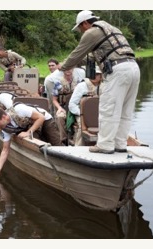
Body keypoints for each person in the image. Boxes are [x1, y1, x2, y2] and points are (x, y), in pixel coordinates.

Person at [60, 10, 140, 154]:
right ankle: (120, 144)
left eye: (80, 28)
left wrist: (63, 66)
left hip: (117, 71)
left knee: (108, 109)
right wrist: (76, 64)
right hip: (133, 68)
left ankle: (105, 145)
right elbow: (88, 58)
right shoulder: (111, 29)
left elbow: (77, 53)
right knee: (125, 110)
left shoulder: (91, 33)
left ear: (85, 23)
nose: (80, 31)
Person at [0, 105, 62, 179]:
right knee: (37, 144)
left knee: (58, 146)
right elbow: (5, 150)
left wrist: (28, 132)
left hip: (45, 120)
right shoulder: (5, 128)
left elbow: (41, 117)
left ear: (4, 117)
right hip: (31, 126)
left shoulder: (19, 110)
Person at [68, 65, 102, 146]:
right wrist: (82, 114)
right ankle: (78, 147)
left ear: (101, 76)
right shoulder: (82, 86)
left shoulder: (105, 86)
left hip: (101, 113)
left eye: (96, 74)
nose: (94, 76)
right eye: (92, 74)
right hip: (82, 114)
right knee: (82, 125)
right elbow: (72, 104)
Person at [44, 67, 77, 143]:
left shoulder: (78, 82)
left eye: (70, 68)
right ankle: (63, 139)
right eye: (66, 69)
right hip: (63, 107)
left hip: (75, 107)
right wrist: (59, 108)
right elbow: (54, 100)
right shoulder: (58, 83)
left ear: (73, 69)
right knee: (60, 117)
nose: (68, 70)